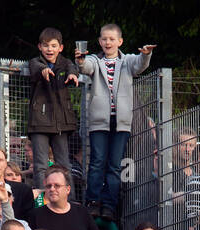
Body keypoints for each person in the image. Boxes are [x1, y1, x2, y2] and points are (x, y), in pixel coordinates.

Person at [76, 24, 154, 218]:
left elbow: (140, 65)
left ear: (120, 41)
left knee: (114, 164)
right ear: (99, 41)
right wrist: (80, 61)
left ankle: (110, 204)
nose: (107, 42)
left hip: (121, 122)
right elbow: (87, 67)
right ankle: (93, 201)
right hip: (99, 121)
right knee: (97, 161)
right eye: (104, 39)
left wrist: (145, 55)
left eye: (112, 39)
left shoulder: (127, 61)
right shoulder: (95, 60)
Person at [27, 28, 80, 176]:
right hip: (39, 122)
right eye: (46, 45)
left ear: (60, 48)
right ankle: (41, 198)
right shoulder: (35, 62)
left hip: (60, 123)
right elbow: (36, 67)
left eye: (53, 46)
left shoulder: (65, 63)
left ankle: (70, 198)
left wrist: (72, 75)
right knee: (41, 165)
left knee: (63, 165)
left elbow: (72, 68)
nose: (49, 49)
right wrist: (44, 70)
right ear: (40, 47)